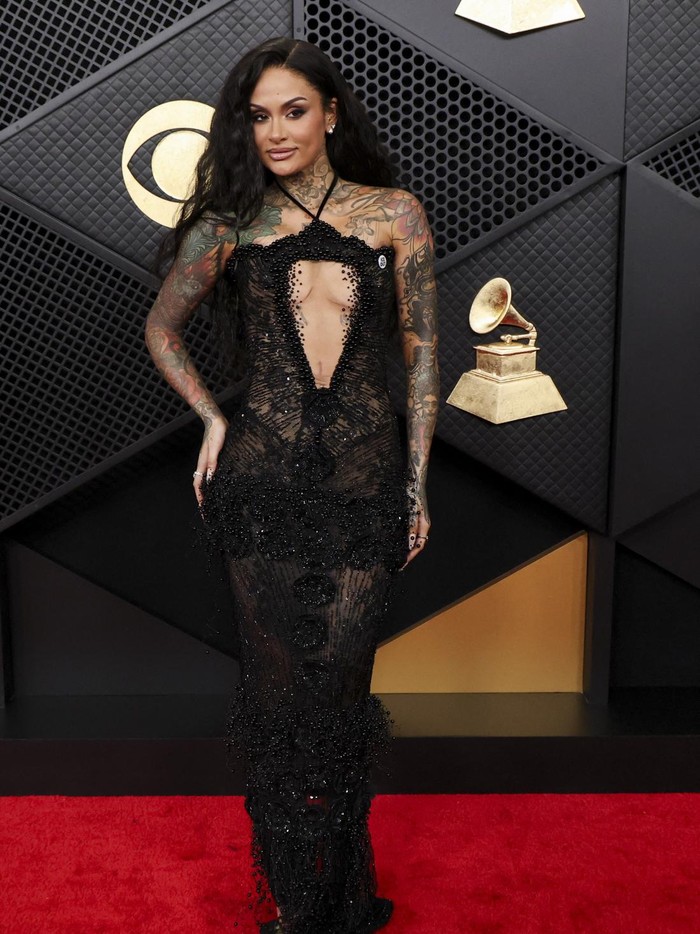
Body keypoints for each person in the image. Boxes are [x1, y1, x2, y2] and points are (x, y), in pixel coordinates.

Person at [144, 36, 438, 934]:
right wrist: (213, 418)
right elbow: (161, 329)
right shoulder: (233, 225)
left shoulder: (395, 215)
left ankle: (343, 900)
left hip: (364, 479)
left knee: (341, 698)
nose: (275, 131)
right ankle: (297, 912)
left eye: (294, 110)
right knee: (275, 707)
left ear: (331, 113)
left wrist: (417, 484)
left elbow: (423, 356)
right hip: (259, 481)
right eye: (259, 115)